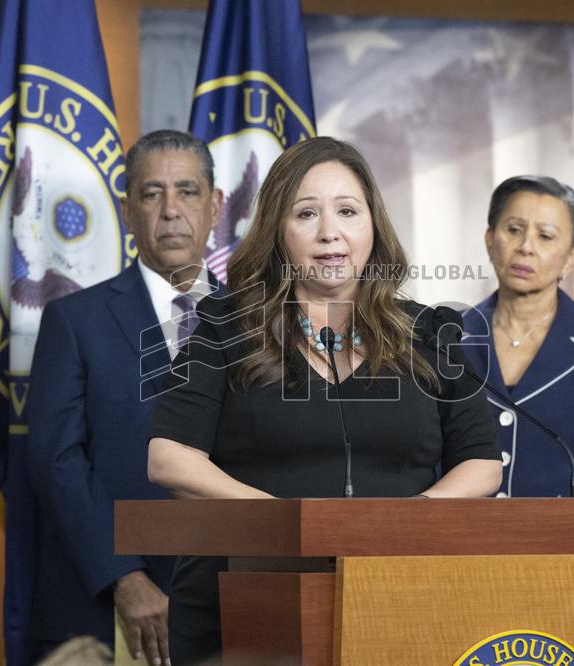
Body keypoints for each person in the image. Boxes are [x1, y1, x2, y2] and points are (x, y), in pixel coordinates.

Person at [147, 136, 503, 664]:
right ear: (278, 231)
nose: (329, 232)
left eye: (347, 211)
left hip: (396, 594)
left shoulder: (430, 331)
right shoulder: (223, 329)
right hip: (245, 603)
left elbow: (481, 460)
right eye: (306, 213)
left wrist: (408, 523)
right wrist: (289, 523)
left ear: (373, 227)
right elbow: (169, 458)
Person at [25, 130, 223, 664]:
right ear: (127, 210)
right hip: (108, 610)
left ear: (216, 205)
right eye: (152, 194)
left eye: (187, 191)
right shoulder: (73, 320)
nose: (171, 210)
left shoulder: (261, 321)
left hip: (236, 603)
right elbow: (55, 460)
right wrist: (123, 576)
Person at [462, 175, 574, 497]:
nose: (525, 248)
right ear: (490, 239)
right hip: (456, 541)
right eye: (513, 230)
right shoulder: (445, 338)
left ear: (572, 256)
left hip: (559, 543)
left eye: (545, 236)